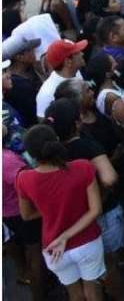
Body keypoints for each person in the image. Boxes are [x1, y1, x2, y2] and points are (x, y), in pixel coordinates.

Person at [46, 98, 124, 301]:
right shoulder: (86, 146)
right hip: (100, 212)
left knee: (88, 273)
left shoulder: (50, 152)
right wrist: (97, 191)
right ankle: (121, 295)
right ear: (77, 123)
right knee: (107, 263)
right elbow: (110, 177)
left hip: (70, 220)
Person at [16, 124, 105, 301]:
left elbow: (26, 215)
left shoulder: (24, 179)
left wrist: (49, 209)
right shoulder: (83, 167)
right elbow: (95, 209)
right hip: (87, 242)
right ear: (57, 141)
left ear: (31, 154)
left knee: (75, 295)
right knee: (93, 292)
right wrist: (65, 235)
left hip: (53, 249)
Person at [2, 124, 45, 301]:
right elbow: (28, 185)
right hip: (20, 212)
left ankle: (28, 276)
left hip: (7, 212)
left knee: (21, 246)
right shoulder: (8, 161)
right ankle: (39, 294)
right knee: (35, 252)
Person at [36, 38, 87, 118]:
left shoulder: (76, 72)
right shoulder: (47, 93)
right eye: (77, 52)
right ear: (68, 62)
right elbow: (45, 124)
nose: (82, 53)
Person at [2, 35, 43, 128]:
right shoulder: (18, 86)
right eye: (30, 50)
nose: (34, 52)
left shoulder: (32, 71)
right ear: (19, 57)